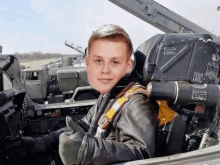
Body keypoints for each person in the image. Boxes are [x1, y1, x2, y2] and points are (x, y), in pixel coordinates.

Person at [7, 24, 158, 165]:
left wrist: (89, 149)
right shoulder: (111, 95)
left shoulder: (137, 102)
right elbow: (84, 125)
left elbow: (142, 154)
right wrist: (42, 142)